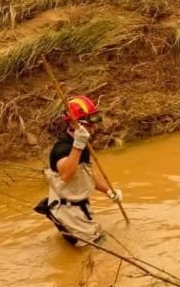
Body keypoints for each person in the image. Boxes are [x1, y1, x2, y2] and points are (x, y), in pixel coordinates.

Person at [34, 95, 123, 246]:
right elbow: (66, 175)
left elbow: (87, 174)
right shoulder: (62, 148)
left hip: (78, 206)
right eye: (90, 123)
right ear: (77, 124)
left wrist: (108, 191)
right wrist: (78, 146)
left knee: (99, 243)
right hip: (68, 211)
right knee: (96, 248)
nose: (94, 127)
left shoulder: (82, 145)